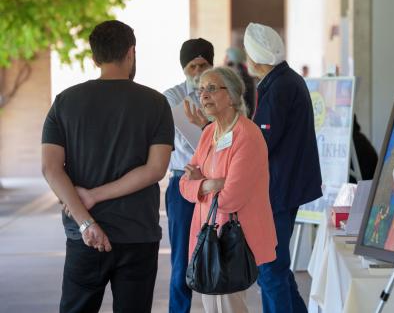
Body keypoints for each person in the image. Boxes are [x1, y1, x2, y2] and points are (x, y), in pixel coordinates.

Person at [41, 20, 175, 313]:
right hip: (138, 232)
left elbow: (51, 169)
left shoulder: (65, 102)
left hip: (84, 234)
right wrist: (95, 195)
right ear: (131, 52)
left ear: (94, 57)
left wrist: (86, 219)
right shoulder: (155, 103)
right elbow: (155, 169)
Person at [179, 67, 277, 313]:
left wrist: (201, 183)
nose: (204, 95)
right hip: (208, 237)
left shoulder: (247, 135)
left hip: (233, 240)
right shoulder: (210, 132)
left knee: (229, 307)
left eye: (211, 88)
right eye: (201, 90)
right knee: (211, 306)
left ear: (232, 95)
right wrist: (211, 183)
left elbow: (230, 199)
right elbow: (184, 185)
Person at [243, 22, 322, 313]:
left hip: (279, 188)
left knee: (270, 270)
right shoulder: (288, 79)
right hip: (287, 185)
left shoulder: (278, 87)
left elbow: (263, 140)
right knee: (279, 268)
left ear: (253, 58)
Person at [163, 38, 213, 313]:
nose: (197, 71)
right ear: (184, 68)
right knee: (182, 260)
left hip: (215, 185)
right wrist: (210, 132)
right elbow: (183, 141)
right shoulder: (171, 97)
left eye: (203, 65)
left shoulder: (222, 95)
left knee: (218, 256)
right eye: (192, 66)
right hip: (183, 184)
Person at [224, 47, 256, 118]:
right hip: (246, 114)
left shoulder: (234, 74)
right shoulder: (246, 73)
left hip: (238, 116)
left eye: (226, 56)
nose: (225, 59)